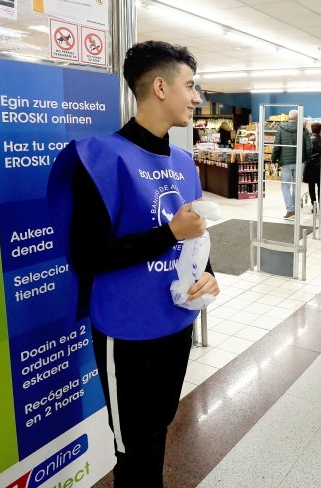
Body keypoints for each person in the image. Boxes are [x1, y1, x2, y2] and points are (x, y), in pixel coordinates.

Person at [46, 40, 220, 488]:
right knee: (134, 448)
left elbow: (192, 231)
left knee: (159, 428)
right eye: (190, 86)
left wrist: (208, 273)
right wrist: (168, 235)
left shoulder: (183, 161)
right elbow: (88, 256)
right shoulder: (98, 158)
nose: (197, 98)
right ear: (160, 87)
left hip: (175, 320)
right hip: (126, 332)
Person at [271, 109, 310, 219]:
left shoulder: (281, 128)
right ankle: (294, 210)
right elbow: (309, 147)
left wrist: (273, 159)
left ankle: (290, 209)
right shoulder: (303, 129)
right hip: (299, 161)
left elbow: (277, 146)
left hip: (285, 162)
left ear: (289, 117)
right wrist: (305, 158)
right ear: (298, 118)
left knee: (285, 186)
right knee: (296, 185)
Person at [304, 121, 321, 212]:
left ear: (311, 129)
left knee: (311, 186)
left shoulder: (309, 140)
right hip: (320, 166)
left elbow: (305, 152)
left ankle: (314, 204)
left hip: (310, 166)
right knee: (320, 186)